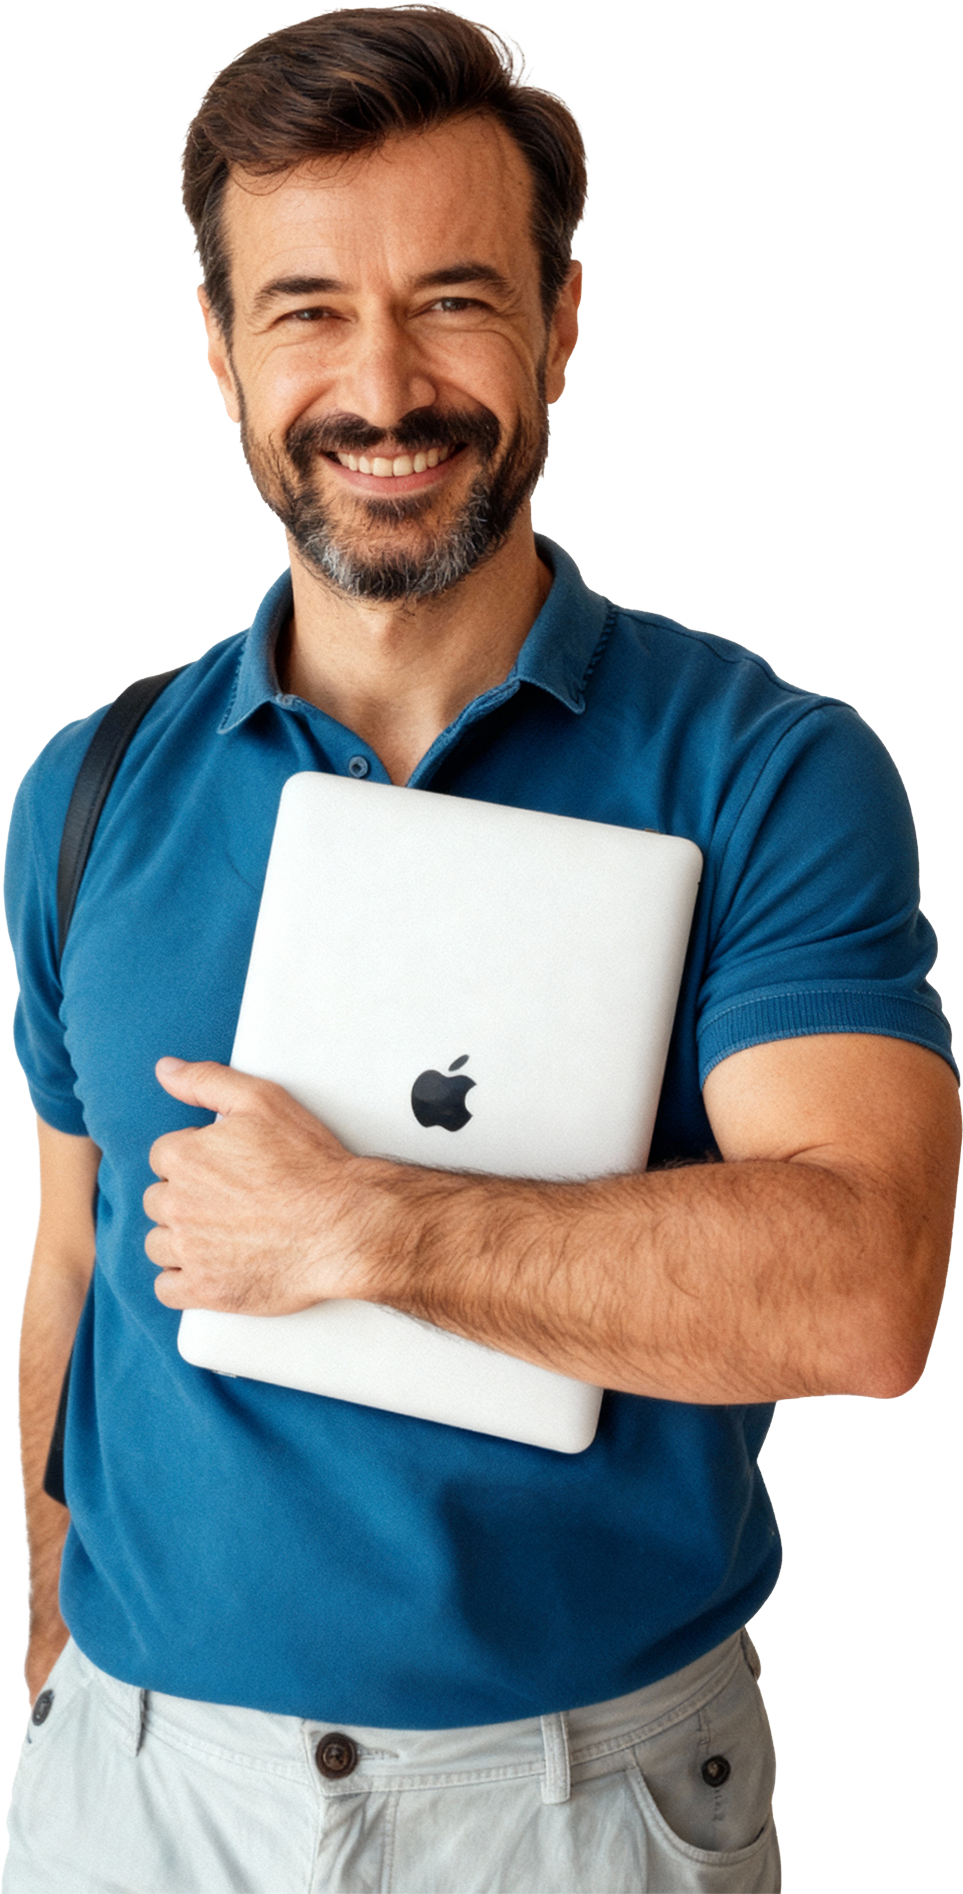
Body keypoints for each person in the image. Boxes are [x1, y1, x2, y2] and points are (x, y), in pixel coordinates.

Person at [3, 8, 959, 1890]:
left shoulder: (760, 772)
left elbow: (863, 1284)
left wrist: (367, 1227)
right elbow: (77, 1241)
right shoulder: (92, 787)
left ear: (560, 324)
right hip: (133, 1787)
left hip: (573, 1812)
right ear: (218, 349)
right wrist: (48, 1605)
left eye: (451, 299)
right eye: (303, 311)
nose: (380, 387)